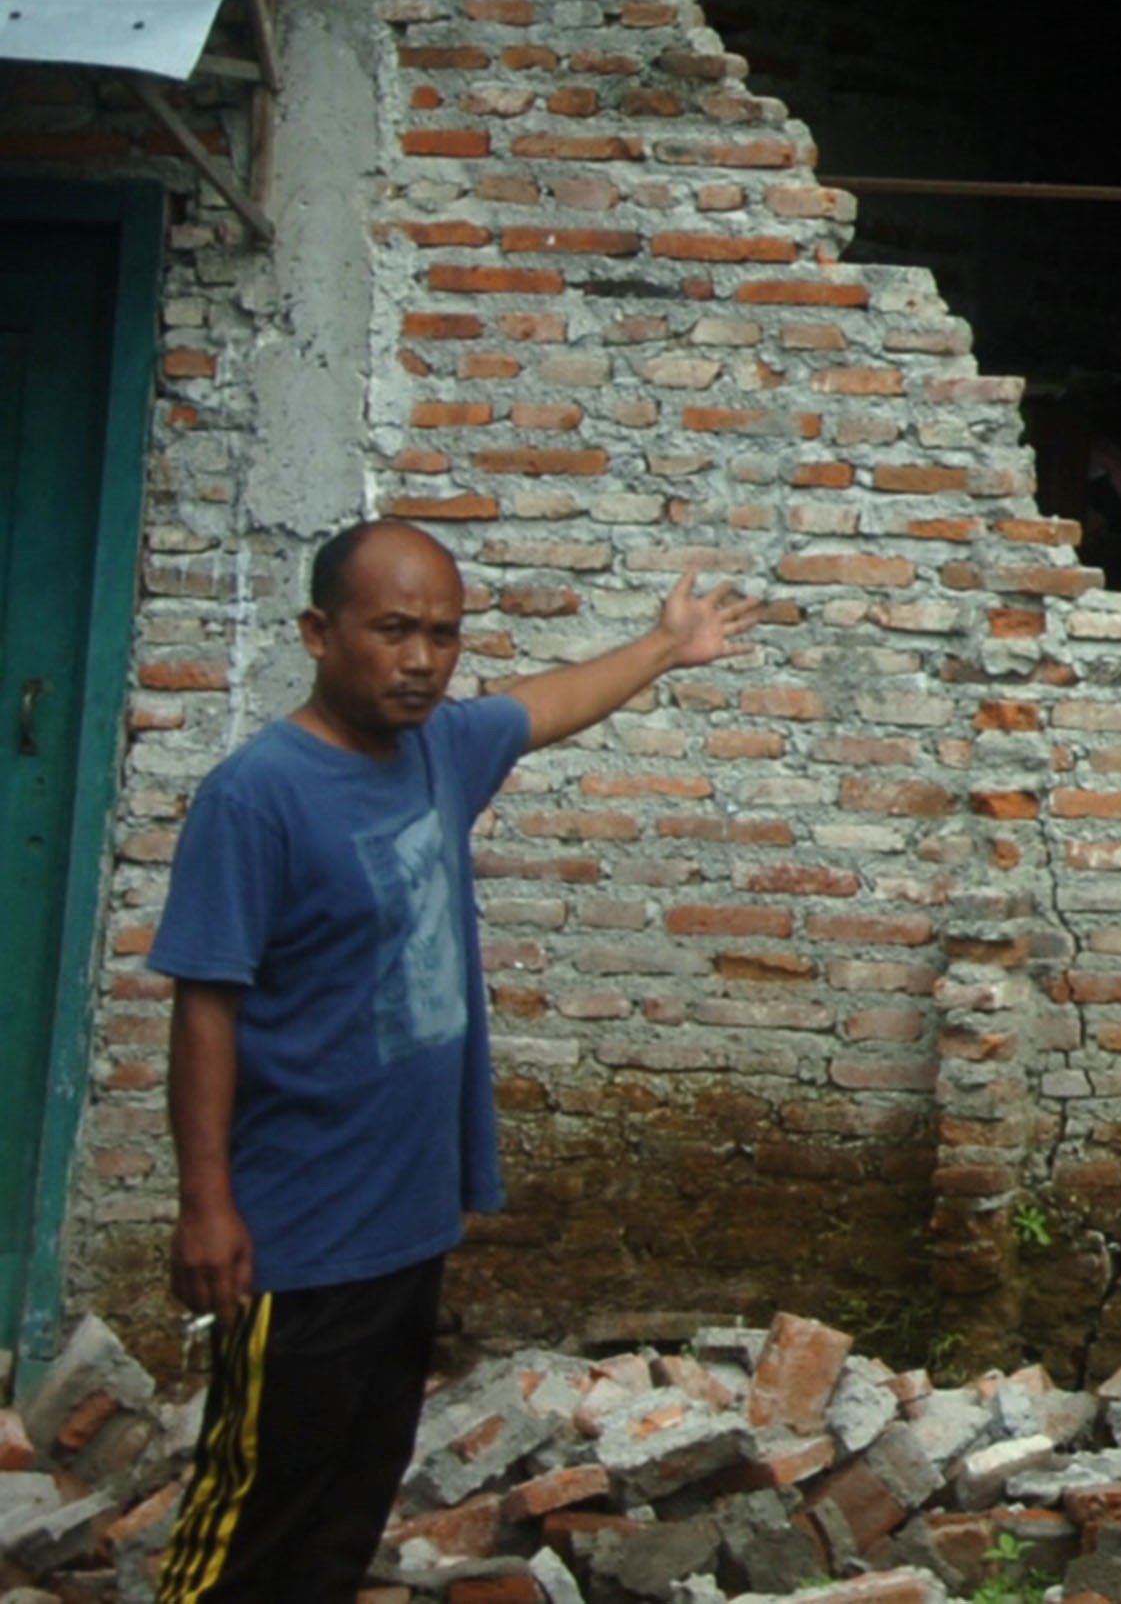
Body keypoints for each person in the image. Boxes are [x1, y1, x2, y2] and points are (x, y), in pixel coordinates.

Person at [149, 519, 762, 1604]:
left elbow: (547, 706)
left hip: (407, 1217)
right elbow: (206, 1005)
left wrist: (663, 645)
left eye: (443, 634)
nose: (422, 660)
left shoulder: (438, 750)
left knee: (349, 1502)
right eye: (392, 631)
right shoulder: (258, 795)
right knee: (251, 1513)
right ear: (317, 633)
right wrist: (207, 1204)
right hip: (296, 1233)